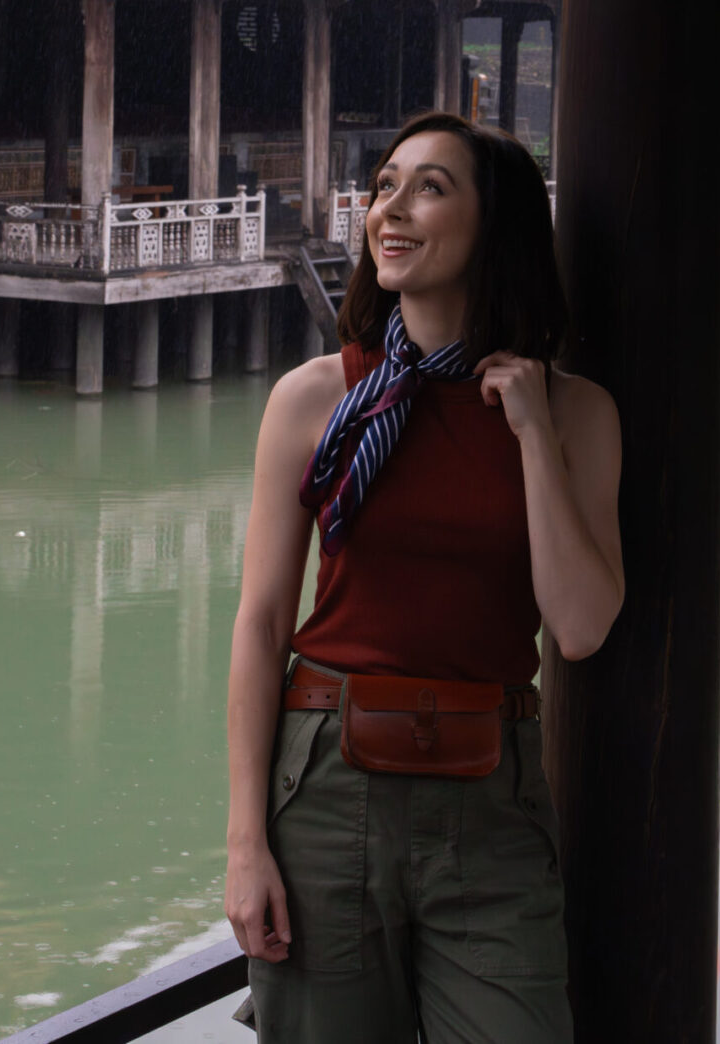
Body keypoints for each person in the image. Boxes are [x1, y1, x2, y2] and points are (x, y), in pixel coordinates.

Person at [225, 111, 623, 1044]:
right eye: (384, 186)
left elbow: (580, 626)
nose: (390, 210)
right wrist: (246, 845)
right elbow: (260, 624)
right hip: (325, 785)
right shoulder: (317, 398)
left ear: (498, 225)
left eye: (430, 188)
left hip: (492, 803)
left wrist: (529, 434)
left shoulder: (574, 414)